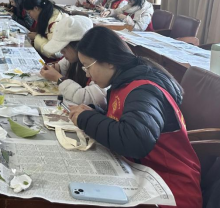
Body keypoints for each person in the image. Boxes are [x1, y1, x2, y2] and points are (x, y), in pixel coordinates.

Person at [68, 27, 201, 208]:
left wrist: (86, 119)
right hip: (142, 175)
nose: (87, 74)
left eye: (88, 66)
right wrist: (94, 114)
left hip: (170, 190)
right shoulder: (123, 82)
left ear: (109, 62)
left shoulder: (144, 89)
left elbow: (135, 140)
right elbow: (124, 122)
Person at [39, 15, 106, 107]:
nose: (61, 53)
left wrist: (59, 79)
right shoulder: (74, 58)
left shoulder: (100, 65)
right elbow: (63, 66)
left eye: (64, 49)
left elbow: (89, 98)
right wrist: (56, 68)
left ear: (78, 46)